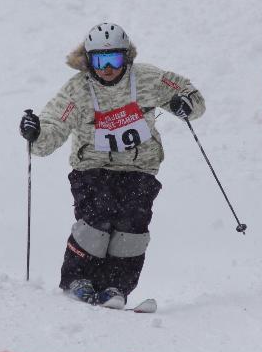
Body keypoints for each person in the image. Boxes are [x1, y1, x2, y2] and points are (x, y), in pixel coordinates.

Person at [19, 22, 205, 309]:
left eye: (114, 60)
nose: (107, 68)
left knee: (132, 226)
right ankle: (79, 280)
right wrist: (36, 133)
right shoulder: (78, 90)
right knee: (98, 217)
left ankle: (115, 287)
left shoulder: (147, 79)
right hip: (91, 167)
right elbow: (53, 125)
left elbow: (189, 95)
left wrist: (186, 105)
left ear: (126, 57)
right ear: (88, 61)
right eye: (100, 61)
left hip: (139, 168)